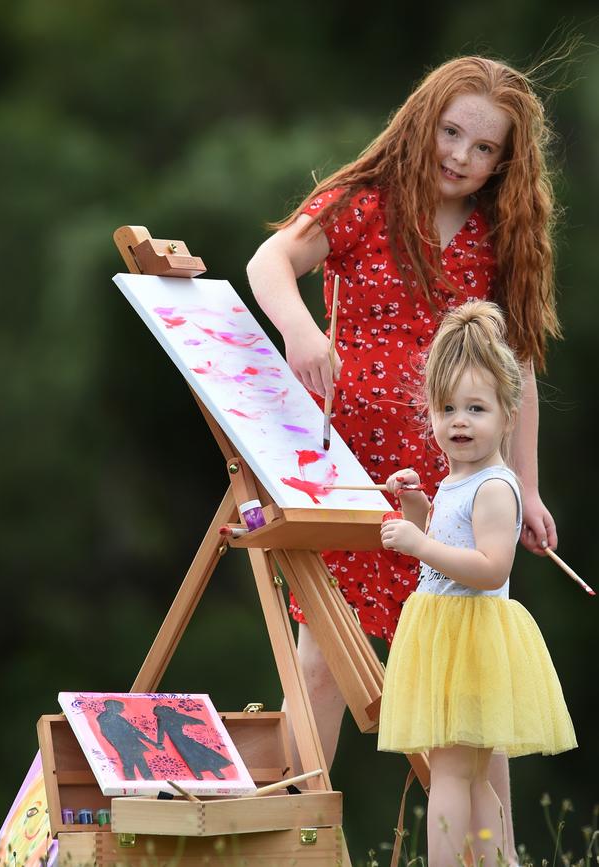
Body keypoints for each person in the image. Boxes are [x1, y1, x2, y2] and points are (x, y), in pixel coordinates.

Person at [247, 55, 561, 861]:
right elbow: (268, 261)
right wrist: (304, 332)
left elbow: (518, 360)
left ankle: (497, 854)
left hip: (451, 492)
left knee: (469, 694)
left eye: (484, 147)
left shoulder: (497, 236)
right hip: (351, 476)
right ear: (423, 120)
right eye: (451, 131)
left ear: (505, 163)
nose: (460, 155)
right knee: (322, 664)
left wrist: (524, 483)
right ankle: (294, 845)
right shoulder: (366, 203)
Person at [378, 300, 576, 865]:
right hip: (445, 635)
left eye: (476, 408)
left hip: (471, 639)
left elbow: (492, 568)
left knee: (451, 770)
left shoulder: (496, 487)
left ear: (508, 417)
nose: (459, 421)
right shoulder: (452, 482)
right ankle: (495, 860)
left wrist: (420, 543)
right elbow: (440, 553)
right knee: (463, 772)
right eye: (446, 408)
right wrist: (416, 508)